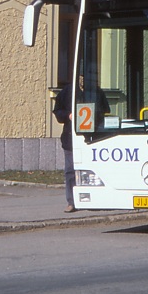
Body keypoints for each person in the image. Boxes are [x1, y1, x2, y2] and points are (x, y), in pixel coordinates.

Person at [52, 75, 109, 213]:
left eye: (86, 77)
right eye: (81, 77)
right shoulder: (67, 91)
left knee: (93, 169)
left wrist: (96, 115)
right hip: (71, 138)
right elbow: (58, 111)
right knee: (70, 171)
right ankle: (71, 202)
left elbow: (105, 111)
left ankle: (93, 200)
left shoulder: (96, 92)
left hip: (93, 138)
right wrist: (68, 115)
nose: (83, 80)